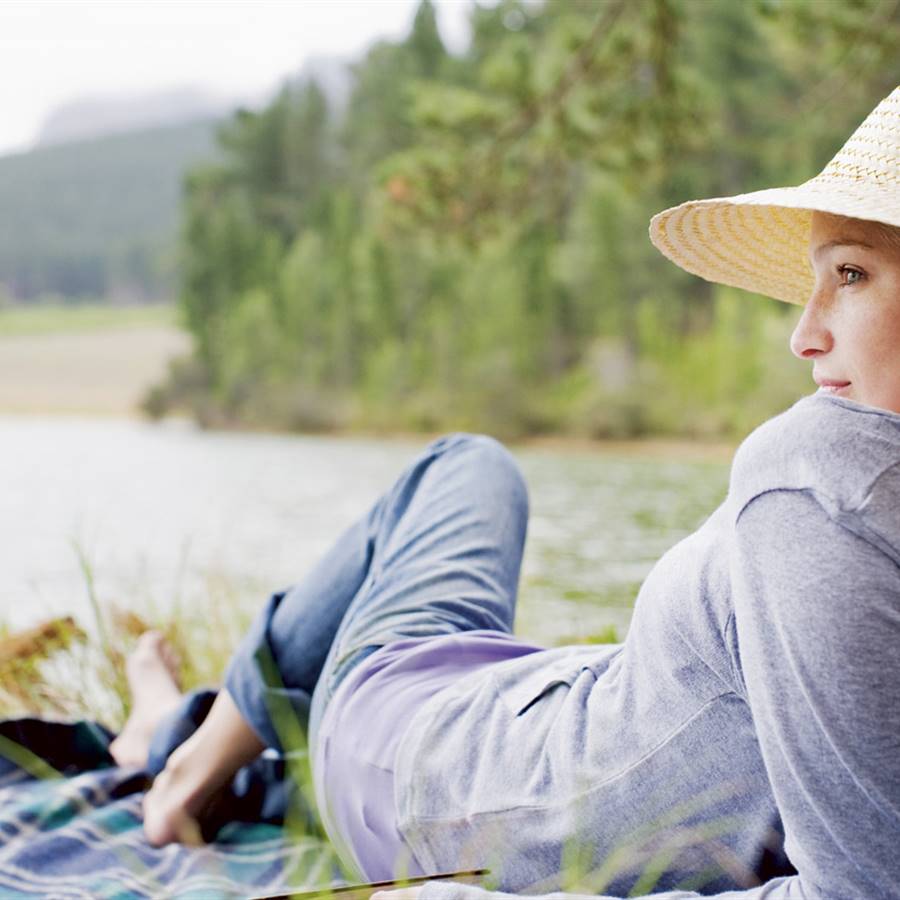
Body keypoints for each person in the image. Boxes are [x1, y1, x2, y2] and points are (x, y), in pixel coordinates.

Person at [110, 86, 900, 899]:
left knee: (464, 469)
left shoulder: (822, 478)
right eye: (821, 276)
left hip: (439, 777)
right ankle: (190, 758)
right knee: (465, 465)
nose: (803, 334)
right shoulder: (828, 486)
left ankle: (176, 741)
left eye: (851, 273)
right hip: (468, 727)